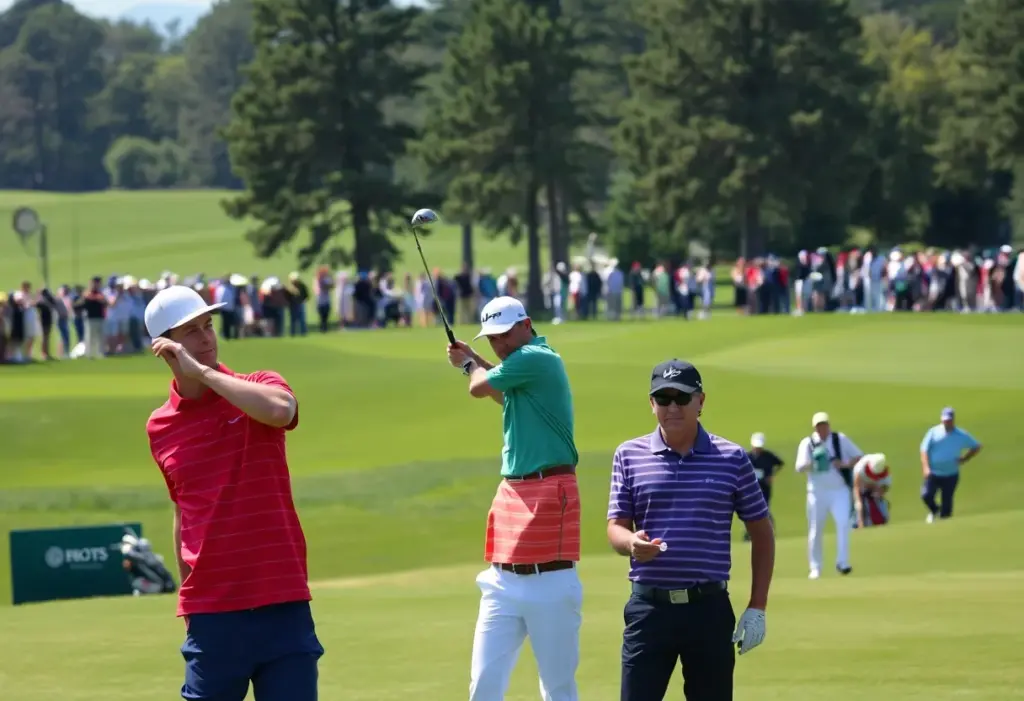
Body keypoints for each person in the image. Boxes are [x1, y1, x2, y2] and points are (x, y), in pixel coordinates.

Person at [143, 285, 324, 701]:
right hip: (212, 610)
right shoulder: (160, 427)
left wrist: (204, 374)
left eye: (208, 326)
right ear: (165, 348)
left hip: (282, 600)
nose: (206, 338)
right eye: (191, 331)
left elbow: (280, 410)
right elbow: (183, 511)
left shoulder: (259, 384)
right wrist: (187, 599)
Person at [606, 359, 775, 701]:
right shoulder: (629, 455)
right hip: (649, 609)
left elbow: (761, 531)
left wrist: (757, 606)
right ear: (651, 403)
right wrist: (631, 543)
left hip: (708, 609)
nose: (672, 407)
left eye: (682, 398)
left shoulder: (732, 458)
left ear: (701, 401)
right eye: (663, 398)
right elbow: (616, 527)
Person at [446, 296, 582, 701]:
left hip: (550, 572)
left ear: (526, 325)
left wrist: (469, 365)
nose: (499, 344)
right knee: (483, 687)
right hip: (503, 574)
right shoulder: (522, 368)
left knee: (557, 689)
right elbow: (502, 393)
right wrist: (474, 359)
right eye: (491, 339)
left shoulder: (539, 358)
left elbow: (479, 387)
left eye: (504, 335)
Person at [794, 412, 864, 579]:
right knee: (816, 529)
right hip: (817, 493)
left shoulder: (840, 439)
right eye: (819, 426)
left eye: (824, 424)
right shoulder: (808, 443)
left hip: (839, 490)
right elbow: (799, 467)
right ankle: (815, 567)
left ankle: (842, 562)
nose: (822, 428)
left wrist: (844, 464)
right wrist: (814, 463)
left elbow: (859, 456)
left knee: (843, 524)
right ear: (814, 427)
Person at [920, 407, 982, 523]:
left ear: (953, 420)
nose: (946, 422)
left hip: (951, 474)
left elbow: (977, 446)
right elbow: (924, 450)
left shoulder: (961, 435)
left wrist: (965, 458)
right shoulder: (933, 432)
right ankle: (935, 511)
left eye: (949, 420)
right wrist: (926, 467)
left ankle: (944, 526)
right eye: (944, 420)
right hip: (933, 473)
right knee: (926, 495)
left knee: (947, 506)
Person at [745, 432, 783, 539]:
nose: (758, 449)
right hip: (751, 488)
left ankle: (769, 531)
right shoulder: (747, 457)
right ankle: (750, 534)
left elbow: (780, 464)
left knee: (764, 510)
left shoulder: (768, 456)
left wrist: (772, 476)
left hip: (765, 488)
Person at [852, 453, 892, 528]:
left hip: (875, 492)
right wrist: (858, 502)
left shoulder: (885, 473)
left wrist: (879, 492)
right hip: (861, 490)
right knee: (858, 510)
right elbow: (856, 487)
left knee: (882, 510)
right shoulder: (859, 468)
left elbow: (885, 487)